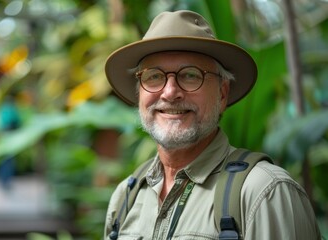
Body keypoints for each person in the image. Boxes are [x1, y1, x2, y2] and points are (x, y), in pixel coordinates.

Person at [103, 10, 321, 240]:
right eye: (153, 76)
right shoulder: (126, 197)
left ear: (222, 93)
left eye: (190, 75)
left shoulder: (264, 192)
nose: (169, 92)